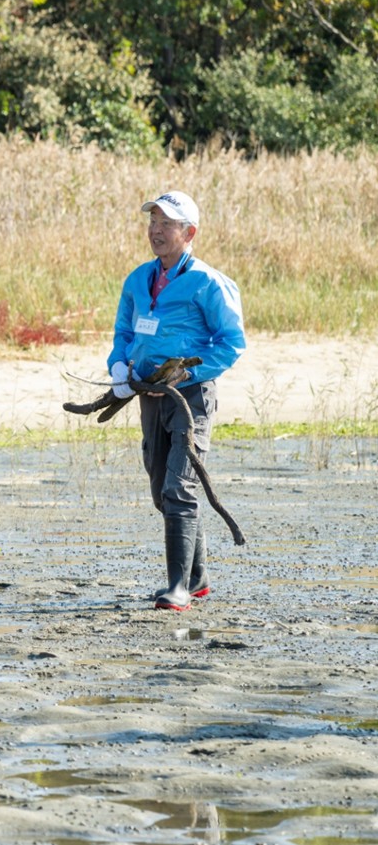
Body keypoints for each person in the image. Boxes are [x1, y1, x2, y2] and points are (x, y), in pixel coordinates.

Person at [108, 191, 245, 611]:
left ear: (190, 233)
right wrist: (119, 368)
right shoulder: (137, 279)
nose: (156, 230)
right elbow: (124, 334)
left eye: (167, 223)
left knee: (179, 486)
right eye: (153, 221)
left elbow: (231, 343)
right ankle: (198, 579)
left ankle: (178, 588)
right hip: (147, 395)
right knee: (159, 488)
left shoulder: (209, 282)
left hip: (190, 399)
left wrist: (188, 373)